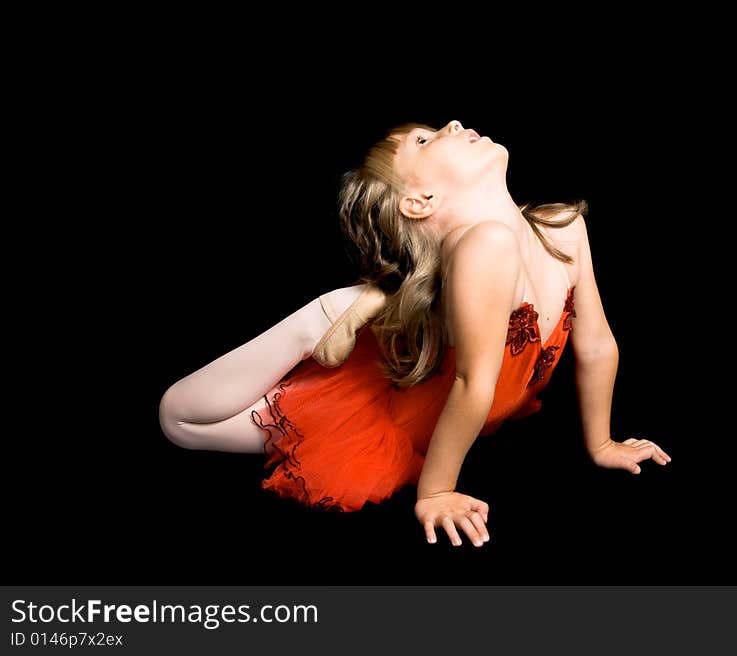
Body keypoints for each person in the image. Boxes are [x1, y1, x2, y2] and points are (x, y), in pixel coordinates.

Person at [158, 120, 671, 547]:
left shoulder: (562, 227)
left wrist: (601, 443)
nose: (450, 123)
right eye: (423, 141)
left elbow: (598, 344)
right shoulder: (485, 243)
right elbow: (473, 382)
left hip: (422, 397)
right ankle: (330, 309)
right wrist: (436, 493)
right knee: (178, 419)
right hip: (390, 414)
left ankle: (373, 303)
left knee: (184, 427)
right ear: (420, 201)